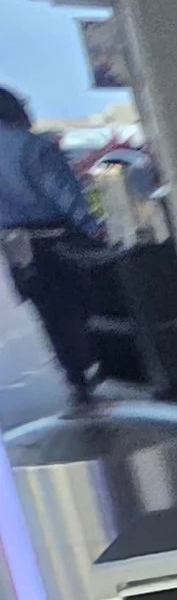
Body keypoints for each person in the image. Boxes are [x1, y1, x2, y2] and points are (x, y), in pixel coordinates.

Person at [0, 87, 102, 402]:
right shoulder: (32, 148)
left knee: (47, 312)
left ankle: (75, 378)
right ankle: (91, 367)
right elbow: (64, 193)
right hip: (56, 240)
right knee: (78, 306)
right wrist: (94, 228)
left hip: (16, 246)